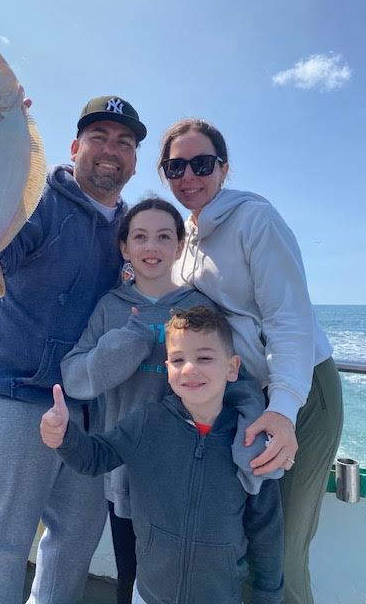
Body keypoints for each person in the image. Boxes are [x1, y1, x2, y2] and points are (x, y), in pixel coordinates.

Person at [0, 95, 147, 604]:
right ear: (75, 146)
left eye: (124, 142)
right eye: (99, 138)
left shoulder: (132, 229)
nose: (112, 150)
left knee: (72, 551)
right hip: (13, 399)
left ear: (134, 159)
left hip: (89, 413)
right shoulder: (36, 200)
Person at [157, 118, 343, 604]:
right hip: (249, 399)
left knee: (280, 553)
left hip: (301, 394)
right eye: (175, 166)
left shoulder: (255, 220)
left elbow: (289, 319)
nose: (188, 176)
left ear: (224, 168)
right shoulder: (189, 239)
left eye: (202, 163)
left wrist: (283, 408)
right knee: (247, 547)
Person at [60, 196, 282, 604]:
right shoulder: (110, 307)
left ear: (180, 246)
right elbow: (75, 377)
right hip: (127, 472)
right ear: (124, 247)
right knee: (132, 572)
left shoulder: (200, 305)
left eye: (164, 237)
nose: (152, 247)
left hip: (194, 473)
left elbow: (240, 383)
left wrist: (252, 440)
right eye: (140, 237)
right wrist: (126, 342)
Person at [42, 307, 284, 604]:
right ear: (167, 368)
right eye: (179, 360)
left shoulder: (249, 440)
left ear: (232, 368)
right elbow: (95, 458)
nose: (190, 368)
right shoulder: (146, 422)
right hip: (148, 594)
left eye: (205, 358)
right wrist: (64, 435)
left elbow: (266, 528)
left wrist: (268, 594)